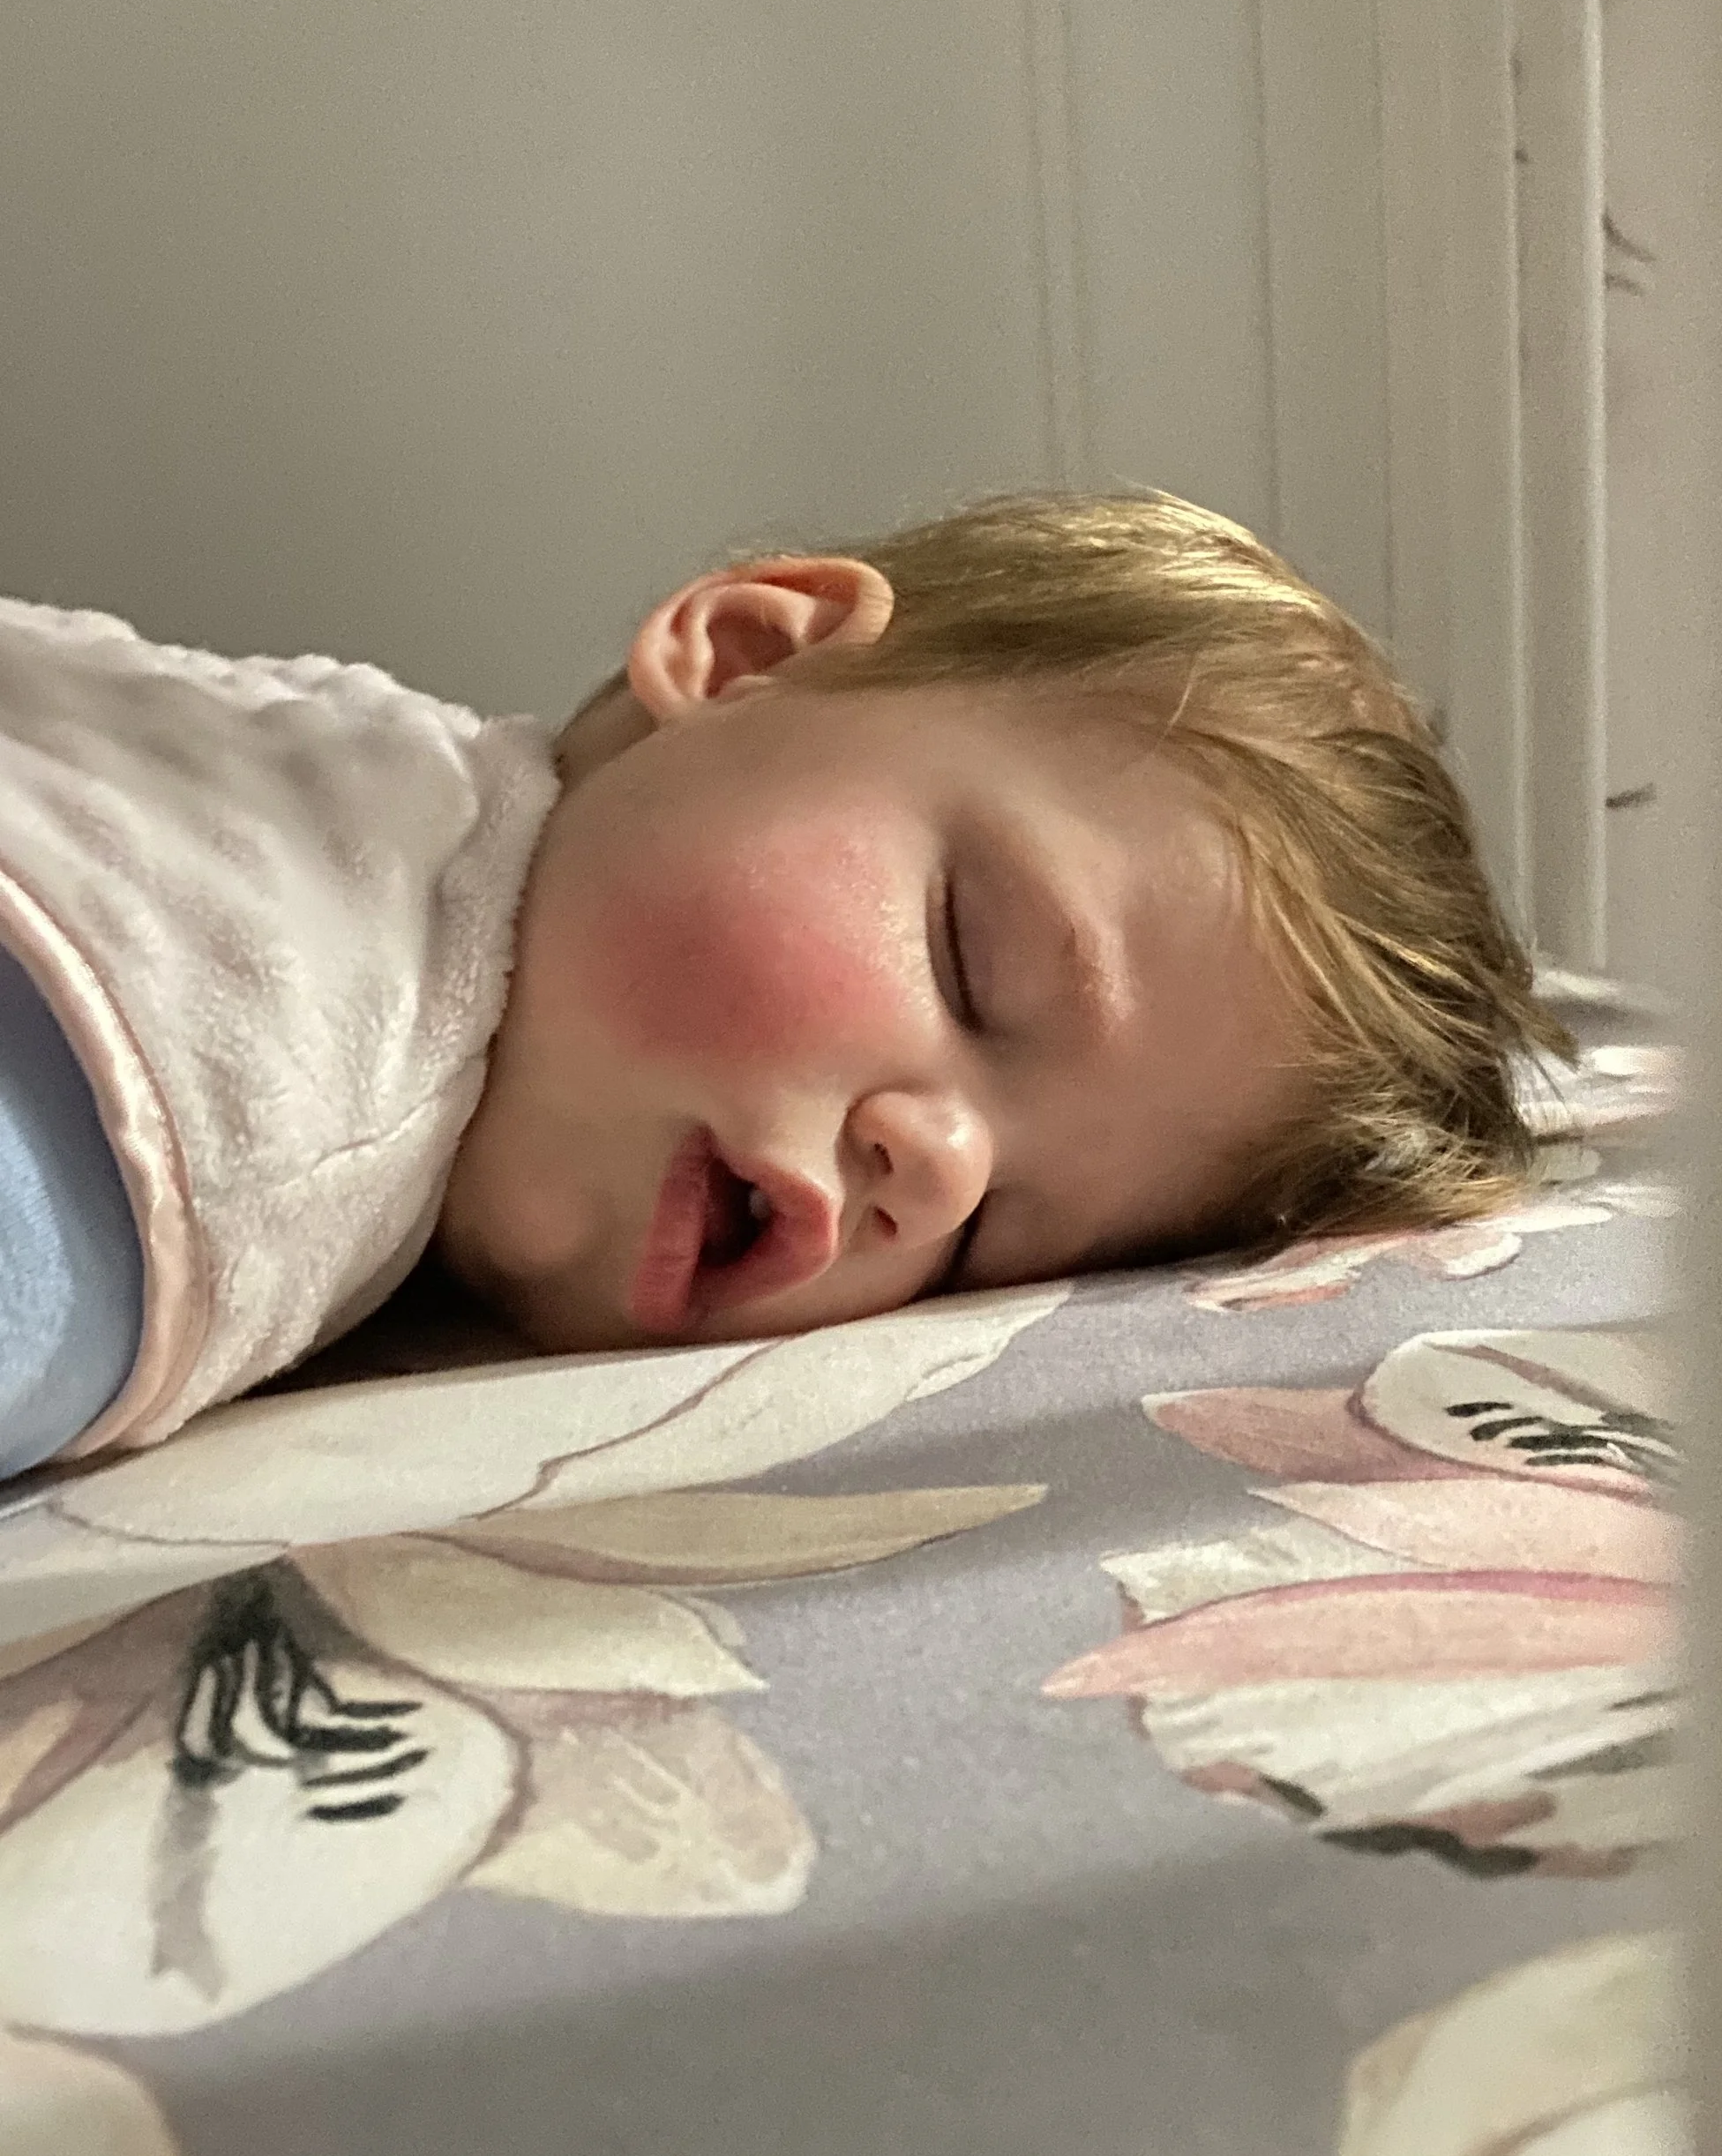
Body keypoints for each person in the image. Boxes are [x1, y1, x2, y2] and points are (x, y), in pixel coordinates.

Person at [0, 491, 1563, 1476]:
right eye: (972, 960)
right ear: (749, 655)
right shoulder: (270, 1058)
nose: (936, 1169)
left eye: (997, 1245)